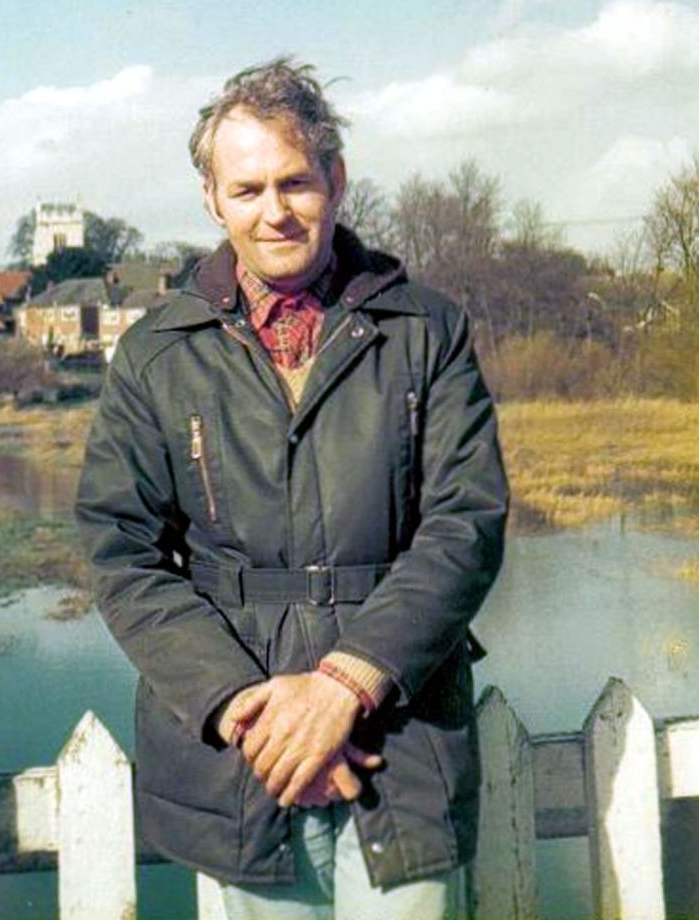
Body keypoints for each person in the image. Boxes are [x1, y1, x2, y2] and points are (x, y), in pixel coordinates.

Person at [75, 58, 508, 919]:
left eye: (296, 182)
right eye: (247, 189)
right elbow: (119, 550)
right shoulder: (157, 353)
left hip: (401, 732)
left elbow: (467, 525)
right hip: (242, 754)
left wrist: (345, 684)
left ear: (336, 182)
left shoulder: (426, 330)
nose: (274, 211)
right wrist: (245, 709)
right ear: (212, 200)